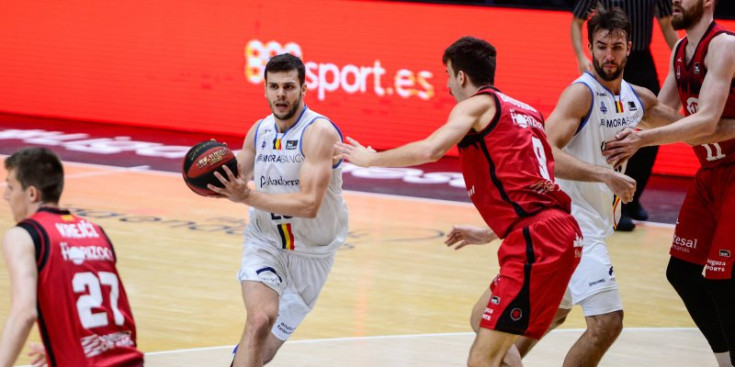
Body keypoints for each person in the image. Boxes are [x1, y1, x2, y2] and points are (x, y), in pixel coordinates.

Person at [448, 7, 681, 366]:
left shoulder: (640, 99)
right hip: (573, 225)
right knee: (607, 323)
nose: (608, 55)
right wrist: (605, 174)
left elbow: (694, 127)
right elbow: (545, 152)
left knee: (536, 320)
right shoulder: (581, 94)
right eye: (601, 46)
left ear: (629, 48)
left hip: (585, 230)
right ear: (589, 47)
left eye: (616, 47)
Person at [336, 36, 583, 367]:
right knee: (481, 318)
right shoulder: (527, 112)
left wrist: (370, 159)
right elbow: (532, 184)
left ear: (462, 76)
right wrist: (493, 231)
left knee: (481, 360)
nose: (448, 84)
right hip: (556, 232)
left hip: (536, 242)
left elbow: (431, 149)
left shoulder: (476, 106)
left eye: (449, 75)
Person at [603, 0, 735, 365]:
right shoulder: (680, 49)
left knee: (723, 279)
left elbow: (706, 121)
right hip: (710, 172)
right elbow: (660, 116)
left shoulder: (725, 45)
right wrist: (620, 141)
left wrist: (642, 139)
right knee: (681, 272)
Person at [208, 53, 348, 367]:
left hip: (312, 253)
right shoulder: (258, 131)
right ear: (265, 89)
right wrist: (210, 179)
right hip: (265, 241)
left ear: (304, 89)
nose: (281, 94)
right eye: (274, 87)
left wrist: (247, 197)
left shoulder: (319, 133)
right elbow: (234, 181)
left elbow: (309, 205)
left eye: (288, 86)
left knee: (264, 350)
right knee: (259, 319)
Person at [0, 147, 144, 367]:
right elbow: (97, 310)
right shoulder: (96, 232)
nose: (6, 195)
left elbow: (24, 313)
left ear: (31, 194)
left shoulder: (24, 235)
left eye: (11, 187)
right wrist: (63, 344)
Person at [571, 0, 679, 231]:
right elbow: (576, 21)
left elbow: (667, 25)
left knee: (651, 131)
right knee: (613, 133)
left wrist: (684, 60)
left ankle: (633, 198)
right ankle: (613, 200)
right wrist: (581, 56)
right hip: (612, 56)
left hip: (640, 58)